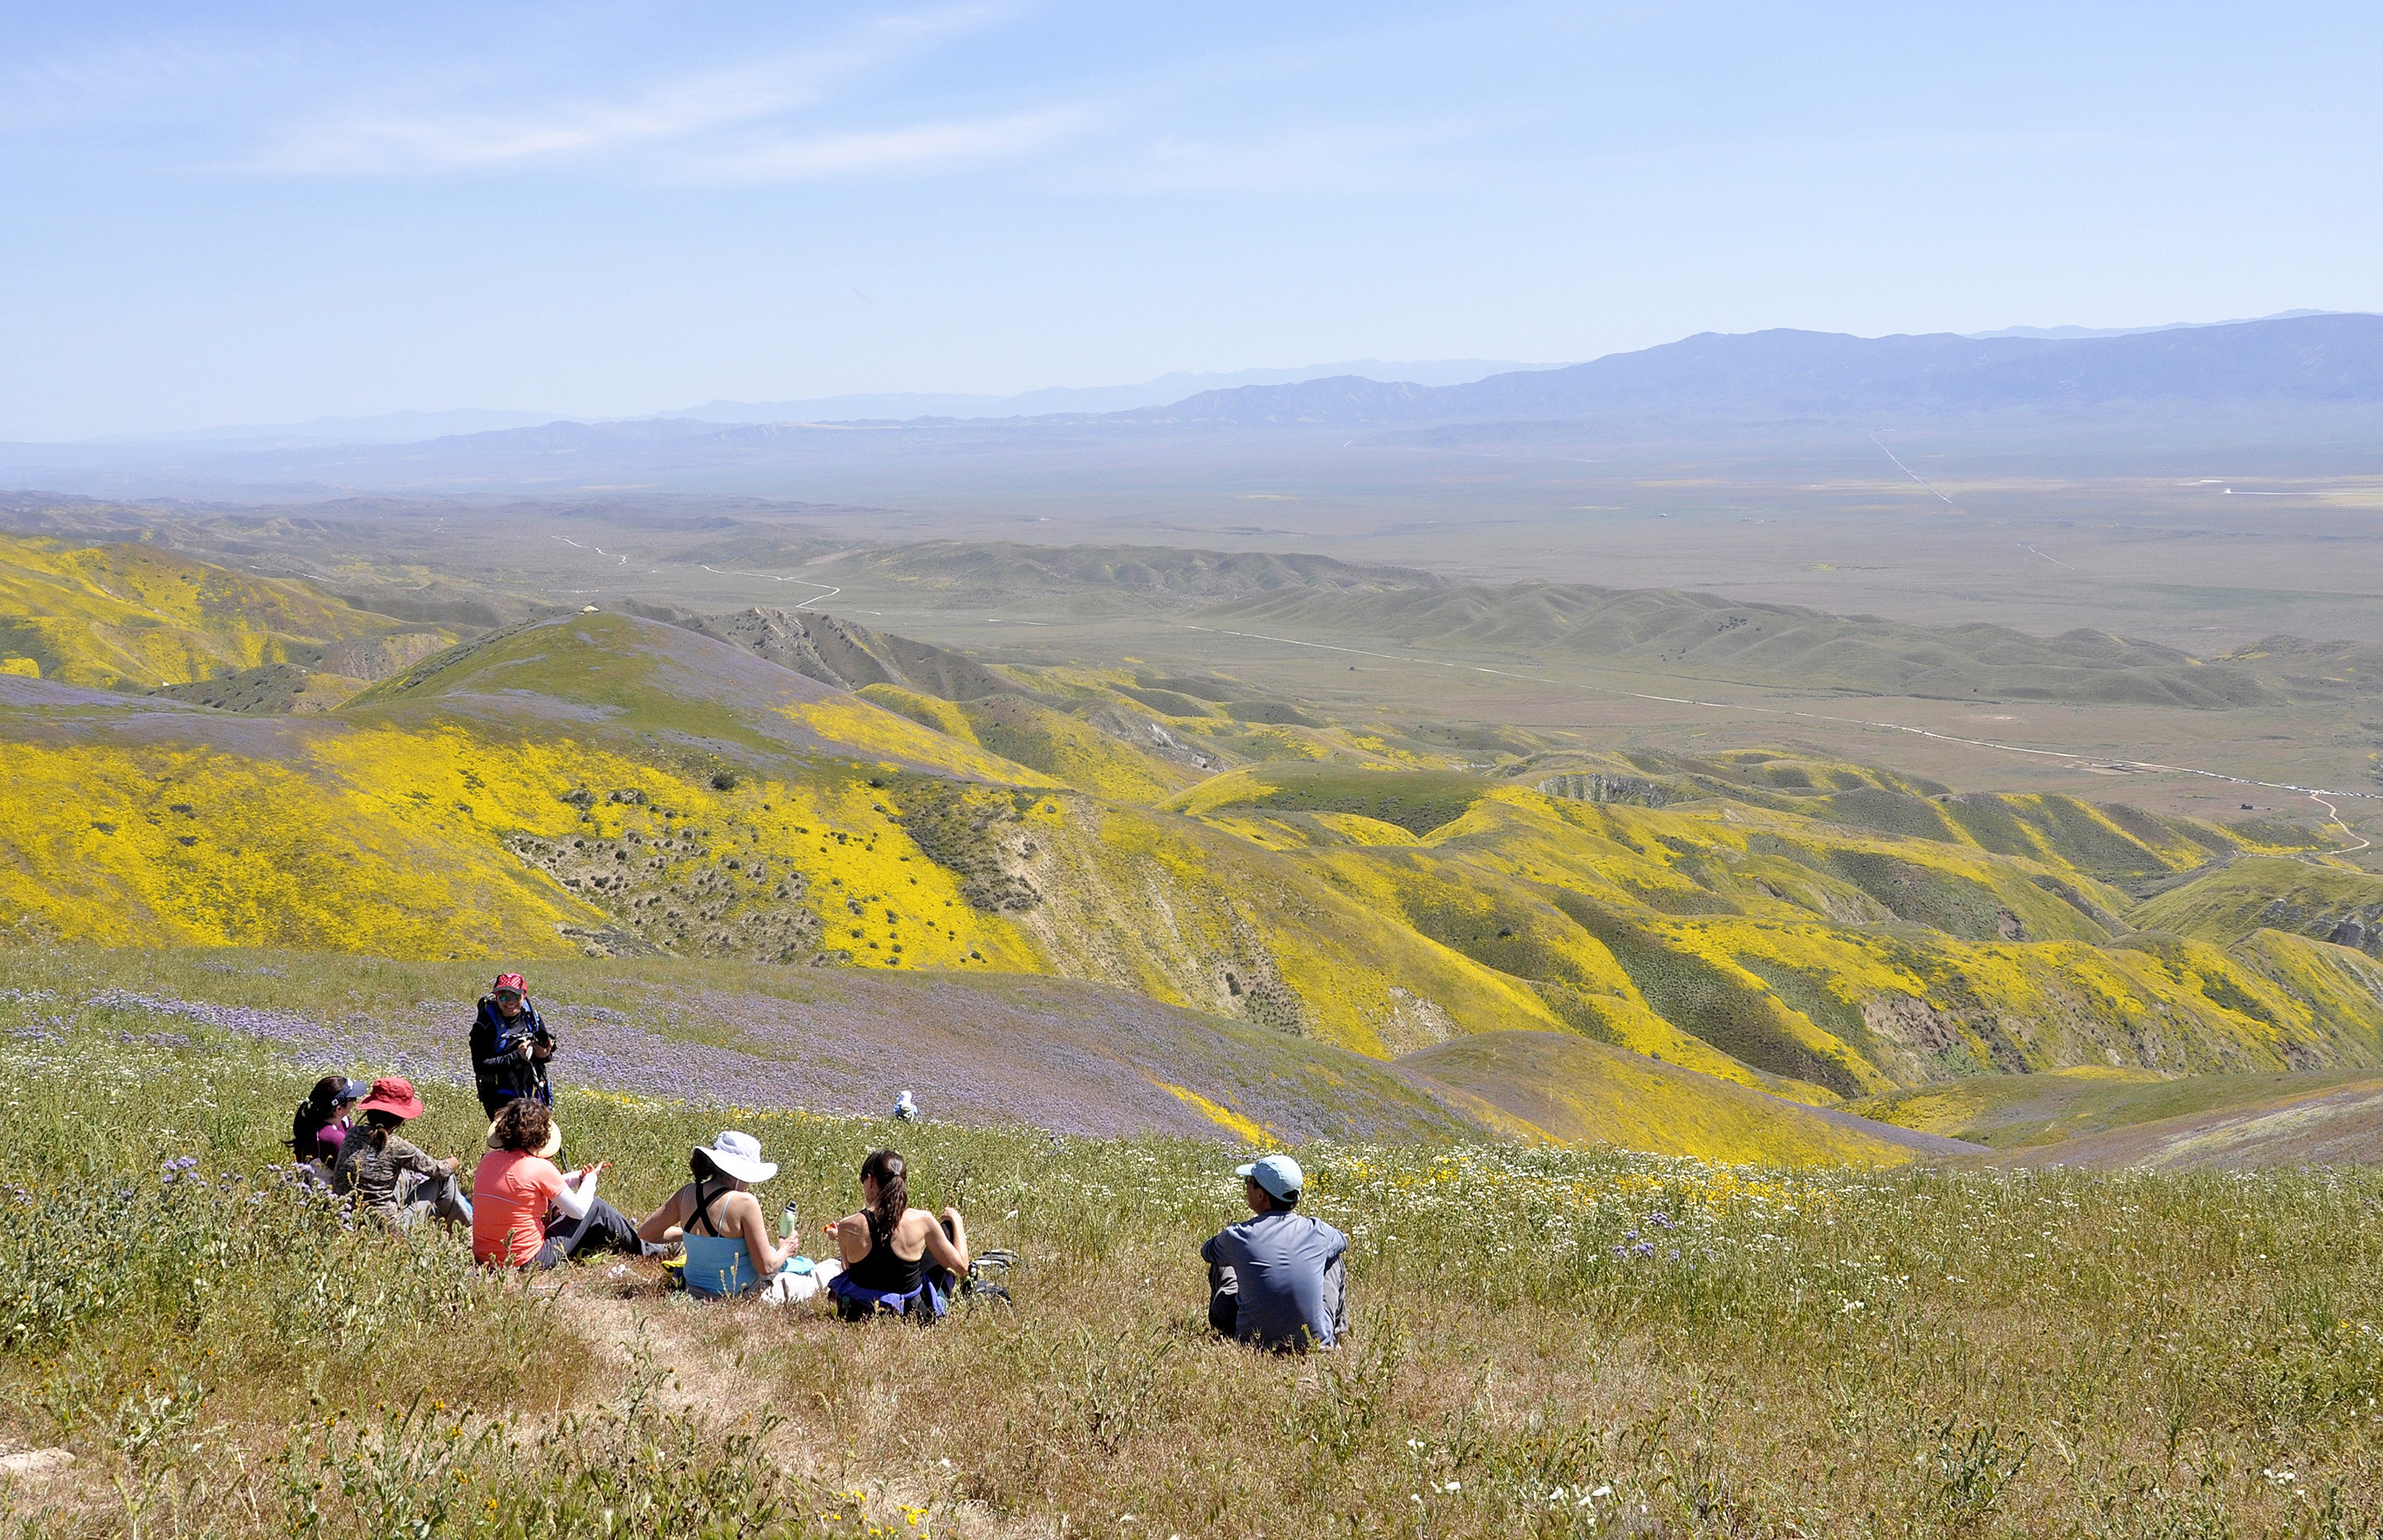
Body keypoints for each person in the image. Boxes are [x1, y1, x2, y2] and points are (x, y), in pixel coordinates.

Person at [470, 1098, 656, 1270]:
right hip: (526, 1259)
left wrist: (577, 1177)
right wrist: (591, 1180)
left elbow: (532, 1187)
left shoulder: (488, 1160)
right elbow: (579, 1211)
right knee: (596, 1207)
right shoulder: (540, 1167)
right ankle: (649, 1249)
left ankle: (624, 1242)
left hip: (484, 1256)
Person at [635, 1131, 821, 1299]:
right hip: (738, 1293)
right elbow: (767, 1267)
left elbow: (646, 1233)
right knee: (819, 1274)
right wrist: (786, 1249)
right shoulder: (745, 1203)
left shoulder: (686, 1194)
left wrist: (692, 1235)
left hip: (692, 1289)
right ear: (741, 1173)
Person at [1201, 1153, 1347, 1351]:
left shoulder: (1238, 1236)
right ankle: (1332, 1336)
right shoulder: (1317, 1231)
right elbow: (1342, 1241)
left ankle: (1229, 1327)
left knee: (1222, 1259)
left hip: (1252, 1340)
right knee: (1333, 1260)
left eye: (1249, 1182)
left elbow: (1207, 1252)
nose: (1246, 1186)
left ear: (1261, 1196)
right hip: (1310, 1342)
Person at [826, 1148, 969, 1320]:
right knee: (947, 1229)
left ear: (870, 1181)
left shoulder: (847, 1226)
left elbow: (849, 1269)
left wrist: (839, 1234)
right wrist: (957, 1222)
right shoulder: (923, 1220)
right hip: (911, 1311)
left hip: (859, 1310)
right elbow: (961, 1269)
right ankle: (942, 1299)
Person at [330, 1077, 474, 1230]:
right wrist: (453, 1162)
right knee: (445, 1179)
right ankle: (466, 1228)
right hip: (386, 1227)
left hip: (346, 1218)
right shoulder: (397, 1147)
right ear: (400, 1118)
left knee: (405, 1175)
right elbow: (438, 1171)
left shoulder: (352, 1134)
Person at [470, 972, 554, 1120]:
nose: (510, 1002)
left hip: (534, 1092)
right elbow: (480, 1065)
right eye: (503, 997)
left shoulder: (532, 1018)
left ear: (524, 996)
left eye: (516, 996)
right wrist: (517, 1055)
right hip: (500, 1096)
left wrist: (543, 1052)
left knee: (538, 1139)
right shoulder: (484, 1025)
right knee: (508, 1140)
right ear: (496, 997)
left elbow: (545, 1057)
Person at [291, 1075, 366, 1175]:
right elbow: (353, 1172)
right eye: (353, 1099)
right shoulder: (332, 1138)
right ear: (339, 1109)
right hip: (327, 1188)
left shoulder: (341, 1120)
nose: (355, 1102)